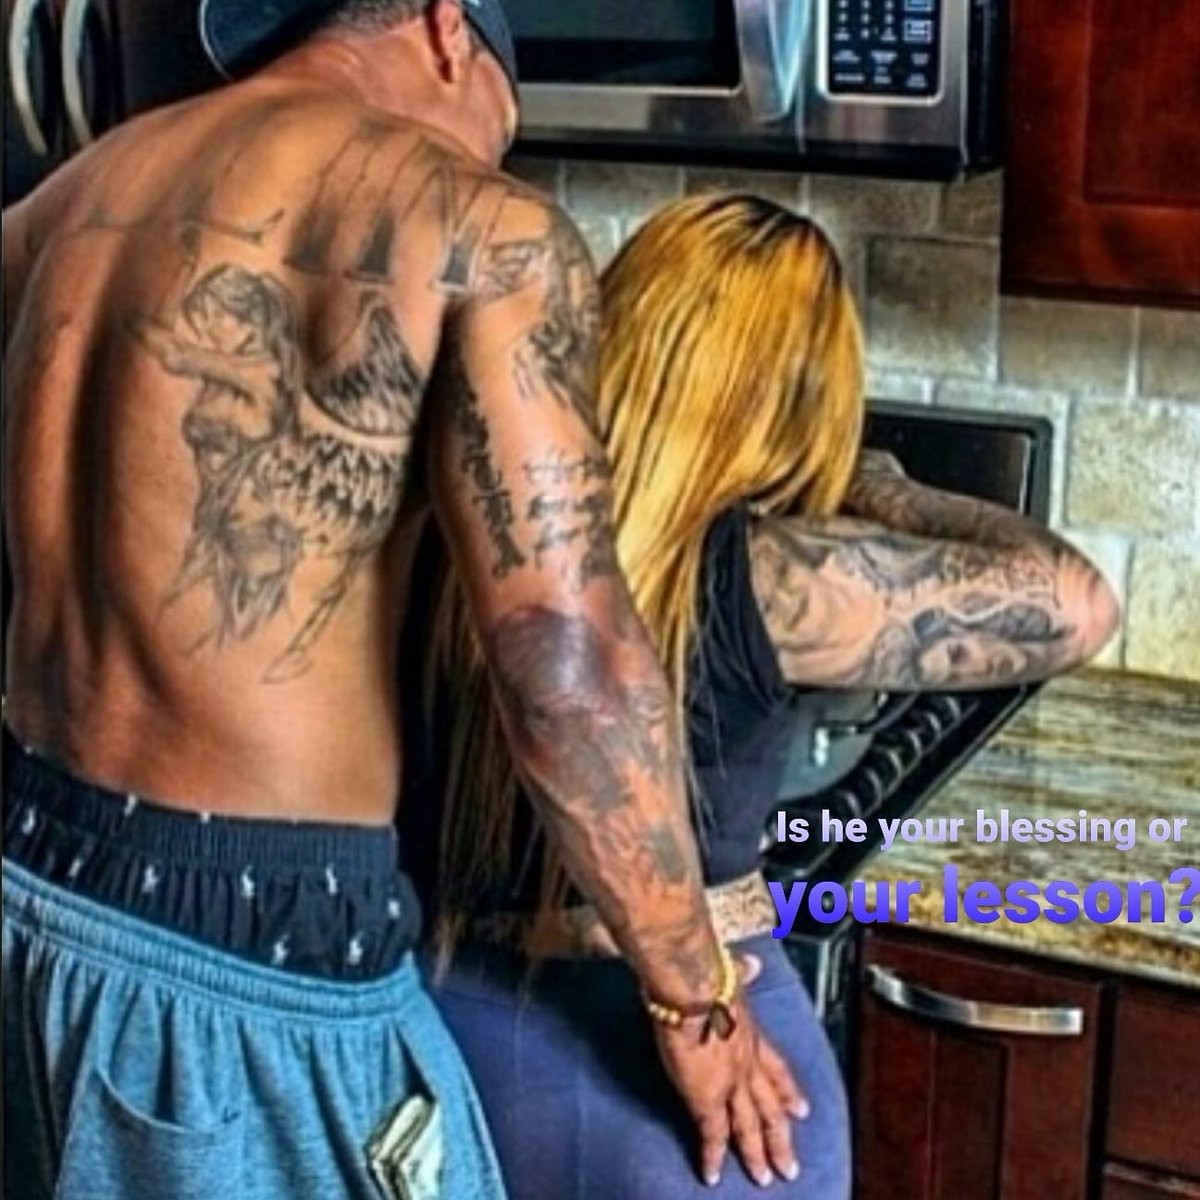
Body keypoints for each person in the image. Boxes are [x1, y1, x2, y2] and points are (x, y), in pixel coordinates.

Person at [2, 3, 806, 1196]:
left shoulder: (55, 208)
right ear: (445, 28)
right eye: (500, 124)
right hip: (256, 947)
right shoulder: (486, 228)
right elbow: (565, 670)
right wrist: (699, 1001)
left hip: (31, 891)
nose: (492, 154)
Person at [405, 192, 1122, 1200]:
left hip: (457, 1045)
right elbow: (1078, 603)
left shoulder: (451, 533)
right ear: (799, 400)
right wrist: (876, 481)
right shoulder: (766, 574)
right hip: (708, 1076)